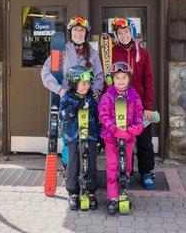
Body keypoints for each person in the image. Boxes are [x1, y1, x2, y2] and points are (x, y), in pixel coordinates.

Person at [41, 16, 104, 172]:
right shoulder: (61, 51)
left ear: (85, 33)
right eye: (75, 29)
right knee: (68, 135)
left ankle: (85, 168)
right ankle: (69, 167)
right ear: (71, 32)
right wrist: (59, 90)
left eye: (81, 30)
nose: (78, 33)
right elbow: (46, 72)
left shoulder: (92, 53)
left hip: (86, 99)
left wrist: (96, 90)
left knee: (86, 134)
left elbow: (99, 75)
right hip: (69, 99)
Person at [110, 18, 156, 189]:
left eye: (126, 32)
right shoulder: (112, 53)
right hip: (119, 105)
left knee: (144, 142)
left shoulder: (143, 53)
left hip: (139, 105)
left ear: (132, 33)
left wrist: (148, 106)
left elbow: (148, 81)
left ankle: (146, 172)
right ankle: (125, 172)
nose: (123, 36)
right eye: (120, 33)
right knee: (123, 142)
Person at [98, 62, 144, 214]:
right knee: (113, 166)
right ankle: (112, 197)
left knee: (126, 167)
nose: (121, 80)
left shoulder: (134, 96)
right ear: (112, 79)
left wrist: (131, 130)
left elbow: (139, 118)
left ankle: (123, 192)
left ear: (129, 78)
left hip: (128, 138)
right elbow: (103, 116)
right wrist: (116, 131)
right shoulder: (108, 95)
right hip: (111, 138)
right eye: (117, 77)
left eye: (124, 77)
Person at [60, 65, 99, 210]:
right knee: (74, 164)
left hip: (90, 136)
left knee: (91, 164)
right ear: (74, 83)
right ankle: (73, 192)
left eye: (88, 83)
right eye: (83, 83)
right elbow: (62, 116)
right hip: (73, 137)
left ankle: (90, 191)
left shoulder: (91, 97)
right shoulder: (67, 97)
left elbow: (97, 115)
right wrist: (75, 107)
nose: (86, 86)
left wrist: (98, 136)